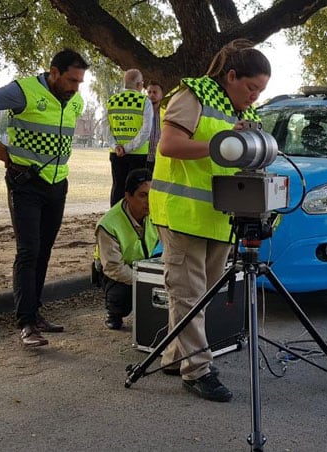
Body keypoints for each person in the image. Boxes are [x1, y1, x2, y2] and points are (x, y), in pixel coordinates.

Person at [149, 39, 270, 402]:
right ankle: (198, 369)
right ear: (231, 76)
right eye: (251, 87)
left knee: (200, 295)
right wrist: (224, 141)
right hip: (182, 213)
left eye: (261, 90)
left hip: (219, 217)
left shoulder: (241, 112)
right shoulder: (192, 95)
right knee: (187, 293)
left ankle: (174, 355)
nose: (254, 96)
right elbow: (169, 145)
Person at [0, 49, 89, 347]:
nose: (75, 87)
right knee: (29, 250)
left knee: (44, 250)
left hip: (58, 183)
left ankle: (35, 314)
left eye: (80, 82)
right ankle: (25, 323)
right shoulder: (24, 91)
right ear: (54, 72)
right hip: (26, 183)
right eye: (71, 80)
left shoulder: (76, 101)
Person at [94, 168, 159, 330]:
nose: (149, 201)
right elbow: (113, 267)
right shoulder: (109, 224)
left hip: (146, 265)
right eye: (143, 195)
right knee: (121, 297)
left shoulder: (157, 213)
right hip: (116, 272)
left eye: (152, 195)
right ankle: (113, 312)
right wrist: (145, 281)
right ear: (128, 196)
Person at [107, 69, 153, 207]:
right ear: (140, 84)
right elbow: (146, 131)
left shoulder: (111, 101)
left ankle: (115, 221)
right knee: (136, 191)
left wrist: (116, 146)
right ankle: (133, 222)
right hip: (138, 154)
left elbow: (105, 128)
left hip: (116, 154)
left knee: (118, 187)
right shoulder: (144, 102)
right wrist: (128, 148)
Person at [145, 81, 164, 170]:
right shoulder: (142, 112)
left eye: (155, 92)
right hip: (144, 158)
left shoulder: (167, 113)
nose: (152, 95)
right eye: (149, 92)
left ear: (161, 95)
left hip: (161, 159)